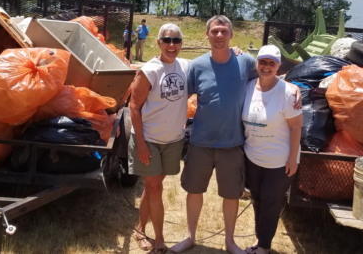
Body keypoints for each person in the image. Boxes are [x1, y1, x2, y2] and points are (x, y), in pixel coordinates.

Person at [172, 16, 301, 254]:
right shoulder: (197, 66)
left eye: (224, 31)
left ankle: (230, 242)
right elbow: (179, 97)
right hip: (200, 142)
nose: (219, 35)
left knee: (231, 195)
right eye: (214, 31)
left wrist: (292, 85)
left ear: (231, 35)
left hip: (233, 145)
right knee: (194, 191)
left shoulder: (245, 62)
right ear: (207, 35)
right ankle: (190, 237)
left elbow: (268, 74)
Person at [128, 23, 188, 254]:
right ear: (158, 42)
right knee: (154, 188)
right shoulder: (150, 70)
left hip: (173, 140)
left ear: (181, 43)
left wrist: (236, 52)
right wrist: (141, 143)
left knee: (154, 185)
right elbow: (134, 106)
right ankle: (159, 240)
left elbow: (211, 63)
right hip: (149, 139)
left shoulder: (184, 66)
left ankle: (140, 227)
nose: (171, 45)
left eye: (176, 40)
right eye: (167, 40)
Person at [242, 45, 303, 254]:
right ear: (257, 63)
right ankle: (261, 240)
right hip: (253, 156)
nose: (266, 67)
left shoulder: (287, 92)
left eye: (271, 63)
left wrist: (292, 159)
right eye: (262, 62)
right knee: (258, 199)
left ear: (278, 66)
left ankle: (264, 247)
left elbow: (296, 127)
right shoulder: (249, 86)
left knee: (270, 202)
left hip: (279, 160)